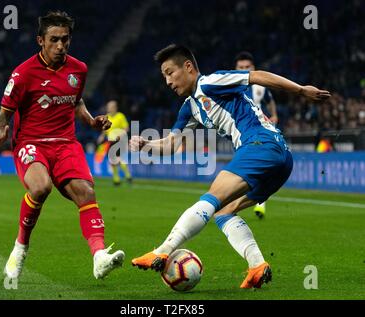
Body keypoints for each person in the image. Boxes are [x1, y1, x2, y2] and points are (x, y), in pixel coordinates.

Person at [130, 44, 330, 288]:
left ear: (189, 67)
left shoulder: (211, 82)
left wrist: (300, 90)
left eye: (170, 72)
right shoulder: (189, 108)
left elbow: (257, 76)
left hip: (260, 144)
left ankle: (162, 251)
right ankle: (257, 265)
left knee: (212, 196)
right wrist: (145, 144)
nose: (168, 82)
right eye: (164, 77)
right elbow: (172, 145)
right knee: (224, 212)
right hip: (280, 158)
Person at [0, 11, 124, 281]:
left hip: (65, 143)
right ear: (40, 40)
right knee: (40, 186)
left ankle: (99, 257)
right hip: (30, 142)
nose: (61, 46)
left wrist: (92, 122)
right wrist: (2, 133)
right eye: (54, 40)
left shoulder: (79, 69)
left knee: (86, 192)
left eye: (65, 40)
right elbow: (4, 114)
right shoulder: (22, 74)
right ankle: (20, 247)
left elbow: (77, 102)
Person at [234, 51, 279, 219]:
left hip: (259, 134)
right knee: (244, 172)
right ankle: (238, 202)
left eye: (247, 67)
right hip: (239, 136)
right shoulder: (230, 86)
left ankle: (258, 203)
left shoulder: (260, 87)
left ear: (253, 68)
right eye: (241, 67)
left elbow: (270, 101)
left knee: (259, 169)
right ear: (235, 68)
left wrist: (274, 115)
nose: (244, 69)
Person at [97, 100, 132, 186]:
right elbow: (105, 130)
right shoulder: (107, 117)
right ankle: (117, 179)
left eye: (110, 107)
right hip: (110, 141)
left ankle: (127, 176)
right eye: (108, 107)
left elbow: (126, 128)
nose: (109, 108)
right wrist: (101, 136)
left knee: (118, 158)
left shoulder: (120, 116)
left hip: (119, 140)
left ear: (115, 108)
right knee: (112, 161)